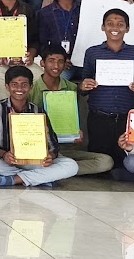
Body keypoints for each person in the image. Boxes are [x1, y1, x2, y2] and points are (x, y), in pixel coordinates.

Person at [0, 65, 79, 187]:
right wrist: (4, 154)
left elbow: (53, 145)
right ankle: (39, 177)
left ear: (30, 87)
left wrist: (50, 156)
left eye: (24, 85)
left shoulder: (38, 111)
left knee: (71, 166)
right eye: (14, 84)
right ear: (7, 87)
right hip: (7, 161)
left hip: (33, 161)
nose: (19, 88)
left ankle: (15, 179)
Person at [29, 44, 113, 176]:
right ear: (42, 63)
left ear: (65, 64)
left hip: (65, 147)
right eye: (51, 61)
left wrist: (76, 132)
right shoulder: (30, 90)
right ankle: (62, 170)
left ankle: (58, 171)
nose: (56, 66)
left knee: (106, 161)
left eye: (60, 61)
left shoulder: (73, 89)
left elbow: (75, 117)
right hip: (41, 148)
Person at [78, 8, 134, 168]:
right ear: (103, 27)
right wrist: (84, 85)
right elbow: (82, 87)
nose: (115, 28)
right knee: (100, 166)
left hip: (127, 119)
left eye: (120, 24)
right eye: (110, 23)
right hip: (99, 119)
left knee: (125, 164)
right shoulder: (92, 53)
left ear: (127, 29)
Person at [35, 0, 80, 71]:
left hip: (82, 63)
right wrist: (60, 60)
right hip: (59, 65)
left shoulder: (83, 10)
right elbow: (42, 43)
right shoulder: (45, 13)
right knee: (57, 82)